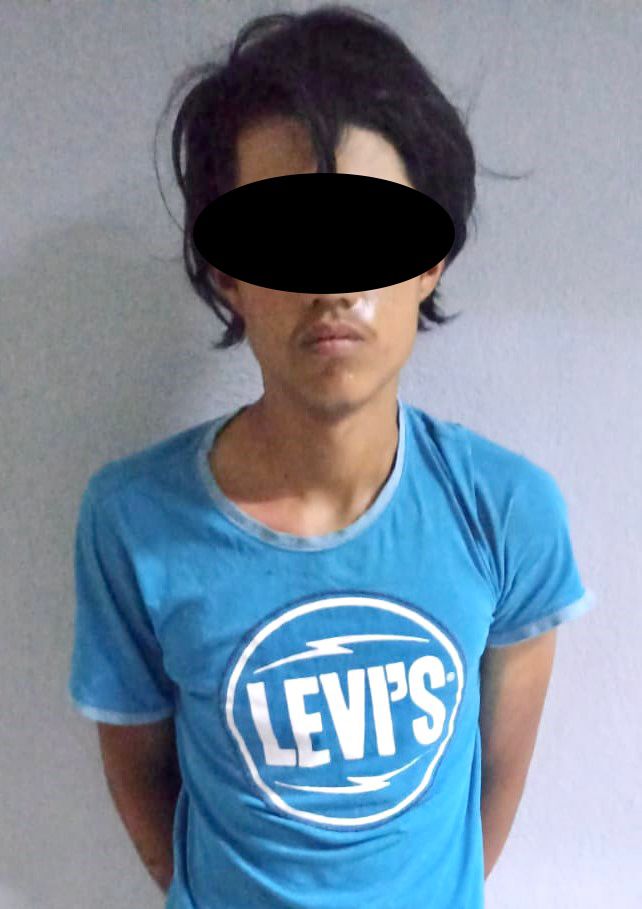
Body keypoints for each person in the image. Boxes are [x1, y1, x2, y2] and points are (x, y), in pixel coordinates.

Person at [68, 6, 597, 908]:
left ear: (429, 260)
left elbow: (499, 777)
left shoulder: (509, 510)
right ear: (227, 273)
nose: (332, 285)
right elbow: (139, 773)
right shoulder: (132, 520)